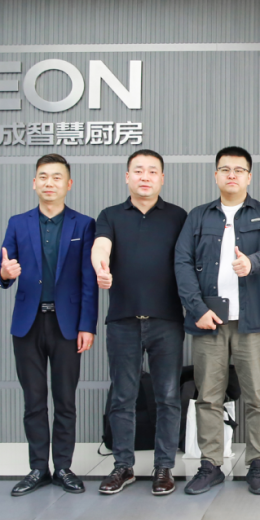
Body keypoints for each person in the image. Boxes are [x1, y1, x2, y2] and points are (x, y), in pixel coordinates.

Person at [174, 146, 260, 495]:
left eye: (239, 170)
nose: (232, 175)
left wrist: (252, 262)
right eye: (225, 169)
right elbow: (182, 262)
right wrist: (196, 309)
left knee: (258, 396)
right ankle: (210, 465)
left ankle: (257, 464)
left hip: (253, 319)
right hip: (209, 319)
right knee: (208, 396)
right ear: (216, 175)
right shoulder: (198, 216)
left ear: (249, 176)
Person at [0, 154, 97, 497]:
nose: (49, 183)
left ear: (69, 184)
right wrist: (4, 274)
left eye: (56, 177)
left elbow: (88, 280)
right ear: (34, 183)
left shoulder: (83, 225)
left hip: (67, 325)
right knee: (34, 400)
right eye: (43, 177)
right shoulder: (18, 223)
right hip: (28, 324)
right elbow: (2, 271)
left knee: (65, 400)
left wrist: (87, 325)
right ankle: (38, 468)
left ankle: (63, 467)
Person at [92, 150, 188, 496]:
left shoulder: (178, 216)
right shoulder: (110, 215)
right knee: (123, 396)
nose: (145, 177)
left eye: (152, 171)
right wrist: (101, 265)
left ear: (162, 178)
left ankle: (164, 466)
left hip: (167, 320)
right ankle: (123, 466)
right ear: (127, 176)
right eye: (138, 171)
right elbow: (101, 246)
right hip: (123, 320)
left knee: (168, 397)